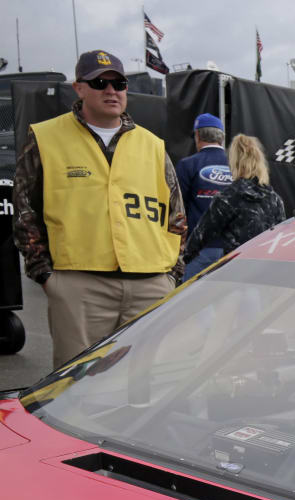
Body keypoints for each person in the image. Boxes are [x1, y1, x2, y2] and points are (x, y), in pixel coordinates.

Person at [12, 49, 185, 369]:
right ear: (79, 88)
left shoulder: (152, 145)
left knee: (147, 381)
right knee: (75, 382)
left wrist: (171, 275)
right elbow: (24, 210)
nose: (111, 90)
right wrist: (47, 276)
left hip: (150, 283)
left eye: (118, 83)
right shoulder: (46, 137)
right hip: (79, 285)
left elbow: (176, 216)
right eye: (100, 82)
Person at [181, 134, 285, 279]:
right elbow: (279, 242)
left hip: (235, 276)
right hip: (262, 276)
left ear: (234, 162)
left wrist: (183, 259)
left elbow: (201, 234)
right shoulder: (275, 200)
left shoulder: (229, 197)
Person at [175, 113, 231, 233]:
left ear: (197, 136)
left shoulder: (187, 164)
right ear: (222, 137)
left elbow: (177, 206)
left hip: (200, 243)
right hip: (236, 245)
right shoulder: (238, 165)